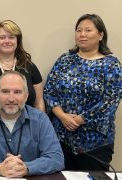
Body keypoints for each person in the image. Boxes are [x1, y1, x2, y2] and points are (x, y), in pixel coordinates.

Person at [44, 14, 122, 171]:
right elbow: (49, 91)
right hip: (61, 138)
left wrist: (78, 120)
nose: (82, 34)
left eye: (88, 30)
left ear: (100, 35)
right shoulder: (65, 60)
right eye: (79, 30)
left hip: (95, 143)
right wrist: (63, 117)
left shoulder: (111, 65)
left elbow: (110, 102)